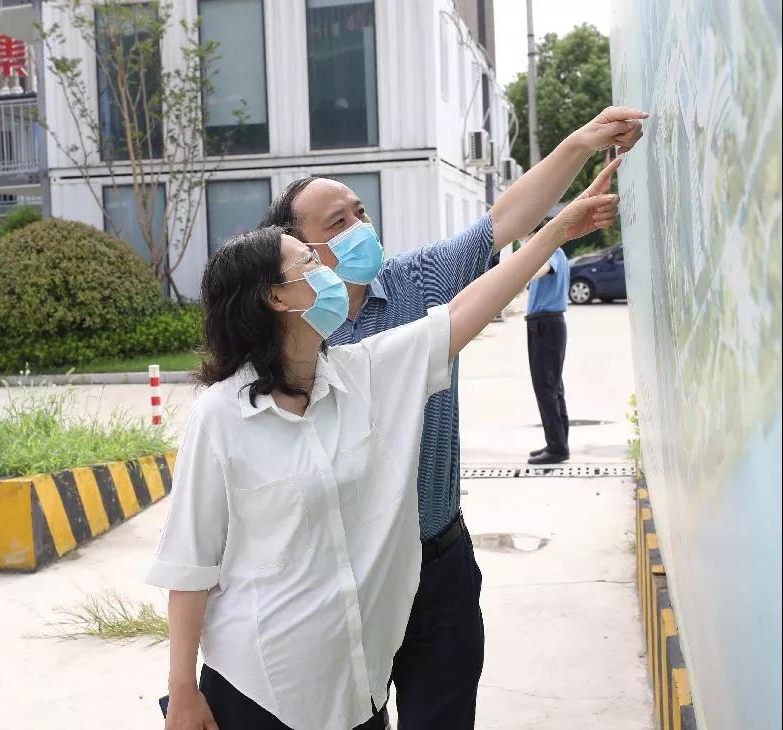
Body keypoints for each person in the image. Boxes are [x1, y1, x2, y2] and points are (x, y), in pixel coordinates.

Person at [147, 189, 621, 730]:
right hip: (260, 688)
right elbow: (190, 563)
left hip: (355, 690)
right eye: (308, 262)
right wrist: (182, 690)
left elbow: (462, 312)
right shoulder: (221, 416)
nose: (327, 270)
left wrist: (554, 232)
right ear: (276, 298)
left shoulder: (362, 374)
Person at [257, 107, 646, 728]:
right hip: (342, 577)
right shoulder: (288, 337)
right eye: (339, 222)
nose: (360, 228)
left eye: (361, 212)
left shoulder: (420, 282)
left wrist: (579, 143)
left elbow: (503, 221)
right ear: (298, 249)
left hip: (438, 563)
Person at [525, 233, 571, 464]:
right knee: (553, 387)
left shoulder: (548, 249)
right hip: (547, 323)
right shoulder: (554, 250)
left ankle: (557, 447)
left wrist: (522, 272)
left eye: (526, 239)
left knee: (545, 387)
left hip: (546, 324)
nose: (524, 245)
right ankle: (558, 443)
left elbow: (544, 268)